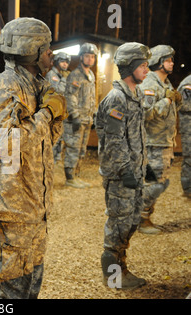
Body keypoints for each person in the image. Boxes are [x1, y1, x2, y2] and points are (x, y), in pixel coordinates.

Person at [0, 17, 67, 299]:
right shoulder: (6, 86)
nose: (51, 53)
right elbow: (6, 144)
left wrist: (54, 112)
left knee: (28, 285)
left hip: (31, 205)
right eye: (46, 47)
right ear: (30, 50)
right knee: (10, 291)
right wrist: (47, 113)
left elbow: (45, 142)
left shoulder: (35, 84)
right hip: (9, 208)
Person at [96, 42, 151, 290]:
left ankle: (121, 266)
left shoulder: (135, 95)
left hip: (133, 172)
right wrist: (126, 170)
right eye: (142, 65)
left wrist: (142, 166)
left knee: (130, 222)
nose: (147, 70)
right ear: (129, 67)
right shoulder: (116, 98)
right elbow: (114, 141)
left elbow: (136, 136)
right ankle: (113, 276)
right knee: (118, 224)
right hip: (121, 176)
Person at [138, 45, 182, 234]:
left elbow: (168, 112)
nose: (172, 63)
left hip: (164, 142)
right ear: (158, 62)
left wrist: (175, 101)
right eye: (168, 60)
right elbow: (146, 112)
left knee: (159, 182)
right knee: (156, 183)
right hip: (153, 143)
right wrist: (168, 101)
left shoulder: (166, 84)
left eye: (171, 60)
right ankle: (141, 218)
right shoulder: (150, 83)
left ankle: (144, 216)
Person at [63, 43, 98, 188]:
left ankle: (76, 175)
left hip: (86, 119)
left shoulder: (91, 75)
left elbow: (91, 97)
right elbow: (70, 96)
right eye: (87, 56)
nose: (90, 59)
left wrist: (94, 114)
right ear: (81, 57)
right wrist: (75, 115)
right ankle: (70, 178)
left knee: (82, 149)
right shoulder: (75, 75)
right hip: (75, 120)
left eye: (92, 57)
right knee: (73, 148)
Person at [45, 52, 71, 163]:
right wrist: (65, 80)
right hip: (52, 114)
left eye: (66, 62)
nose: (65, 64)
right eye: (62, 61)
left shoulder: (60, 75)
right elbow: (58, 92)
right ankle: (49, 161)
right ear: (56, 62)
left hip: (59, 113)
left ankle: (54, 162)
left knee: (59, 138)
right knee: (52, 140)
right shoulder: (52, 75)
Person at [178, 75, 191, 198]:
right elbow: (183, 105)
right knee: (189, 159)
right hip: (189, 128)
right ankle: (188, 188)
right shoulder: (187, 84)